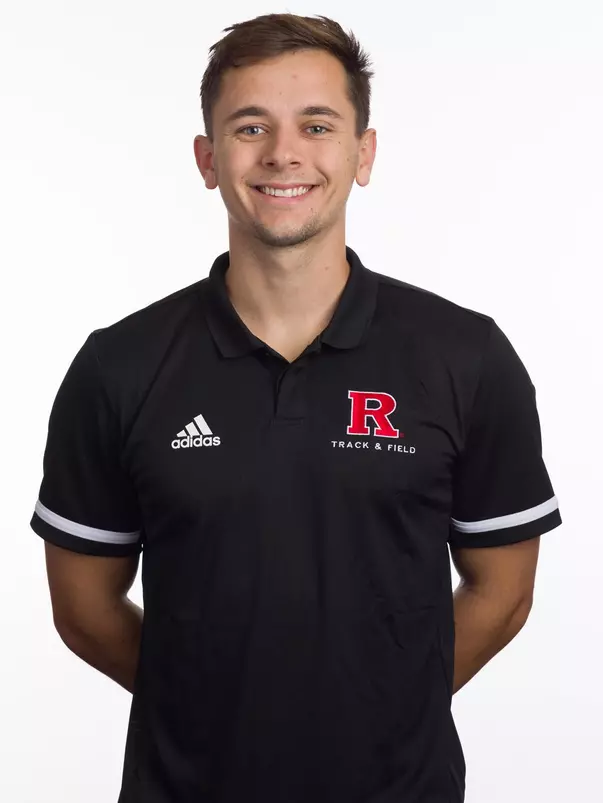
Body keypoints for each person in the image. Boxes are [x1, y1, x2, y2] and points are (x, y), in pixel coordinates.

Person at [30, 12, 562, 803]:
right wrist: (210, 705)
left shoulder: (465, 356)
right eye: (250, 127)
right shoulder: (120, 365)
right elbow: (83, 607)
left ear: (363, 152)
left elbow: (504, 589)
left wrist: (381, 707)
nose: (283, 153)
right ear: (208, 160)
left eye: (317, 124)